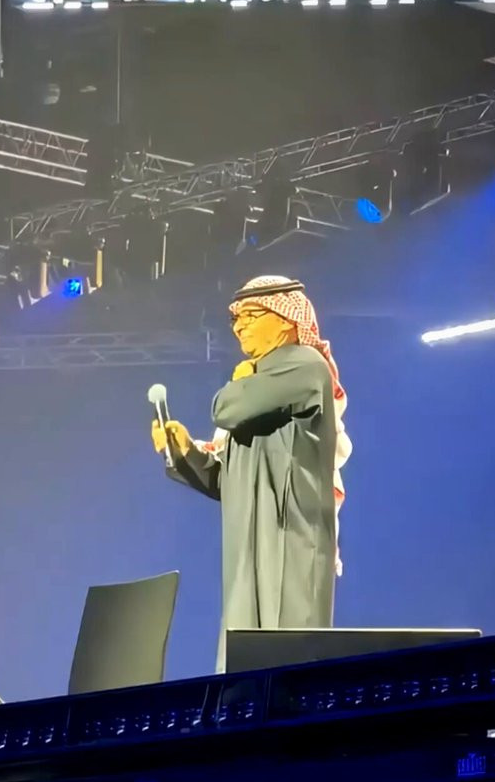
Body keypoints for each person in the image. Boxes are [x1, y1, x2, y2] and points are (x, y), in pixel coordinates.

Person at [151, 274, 352, 671]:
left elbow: (226, 409)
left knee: (288, 658)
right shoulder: (260, 387)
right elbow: (227, 480)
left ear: (285, 319)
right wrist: (185, 451)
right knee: (242, 662)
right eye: (235, 318)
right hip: (249, 540)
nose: (238, 326)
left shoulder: (304, 365)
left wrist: (241, 381)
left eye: (250, 315)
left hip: (291, 534)